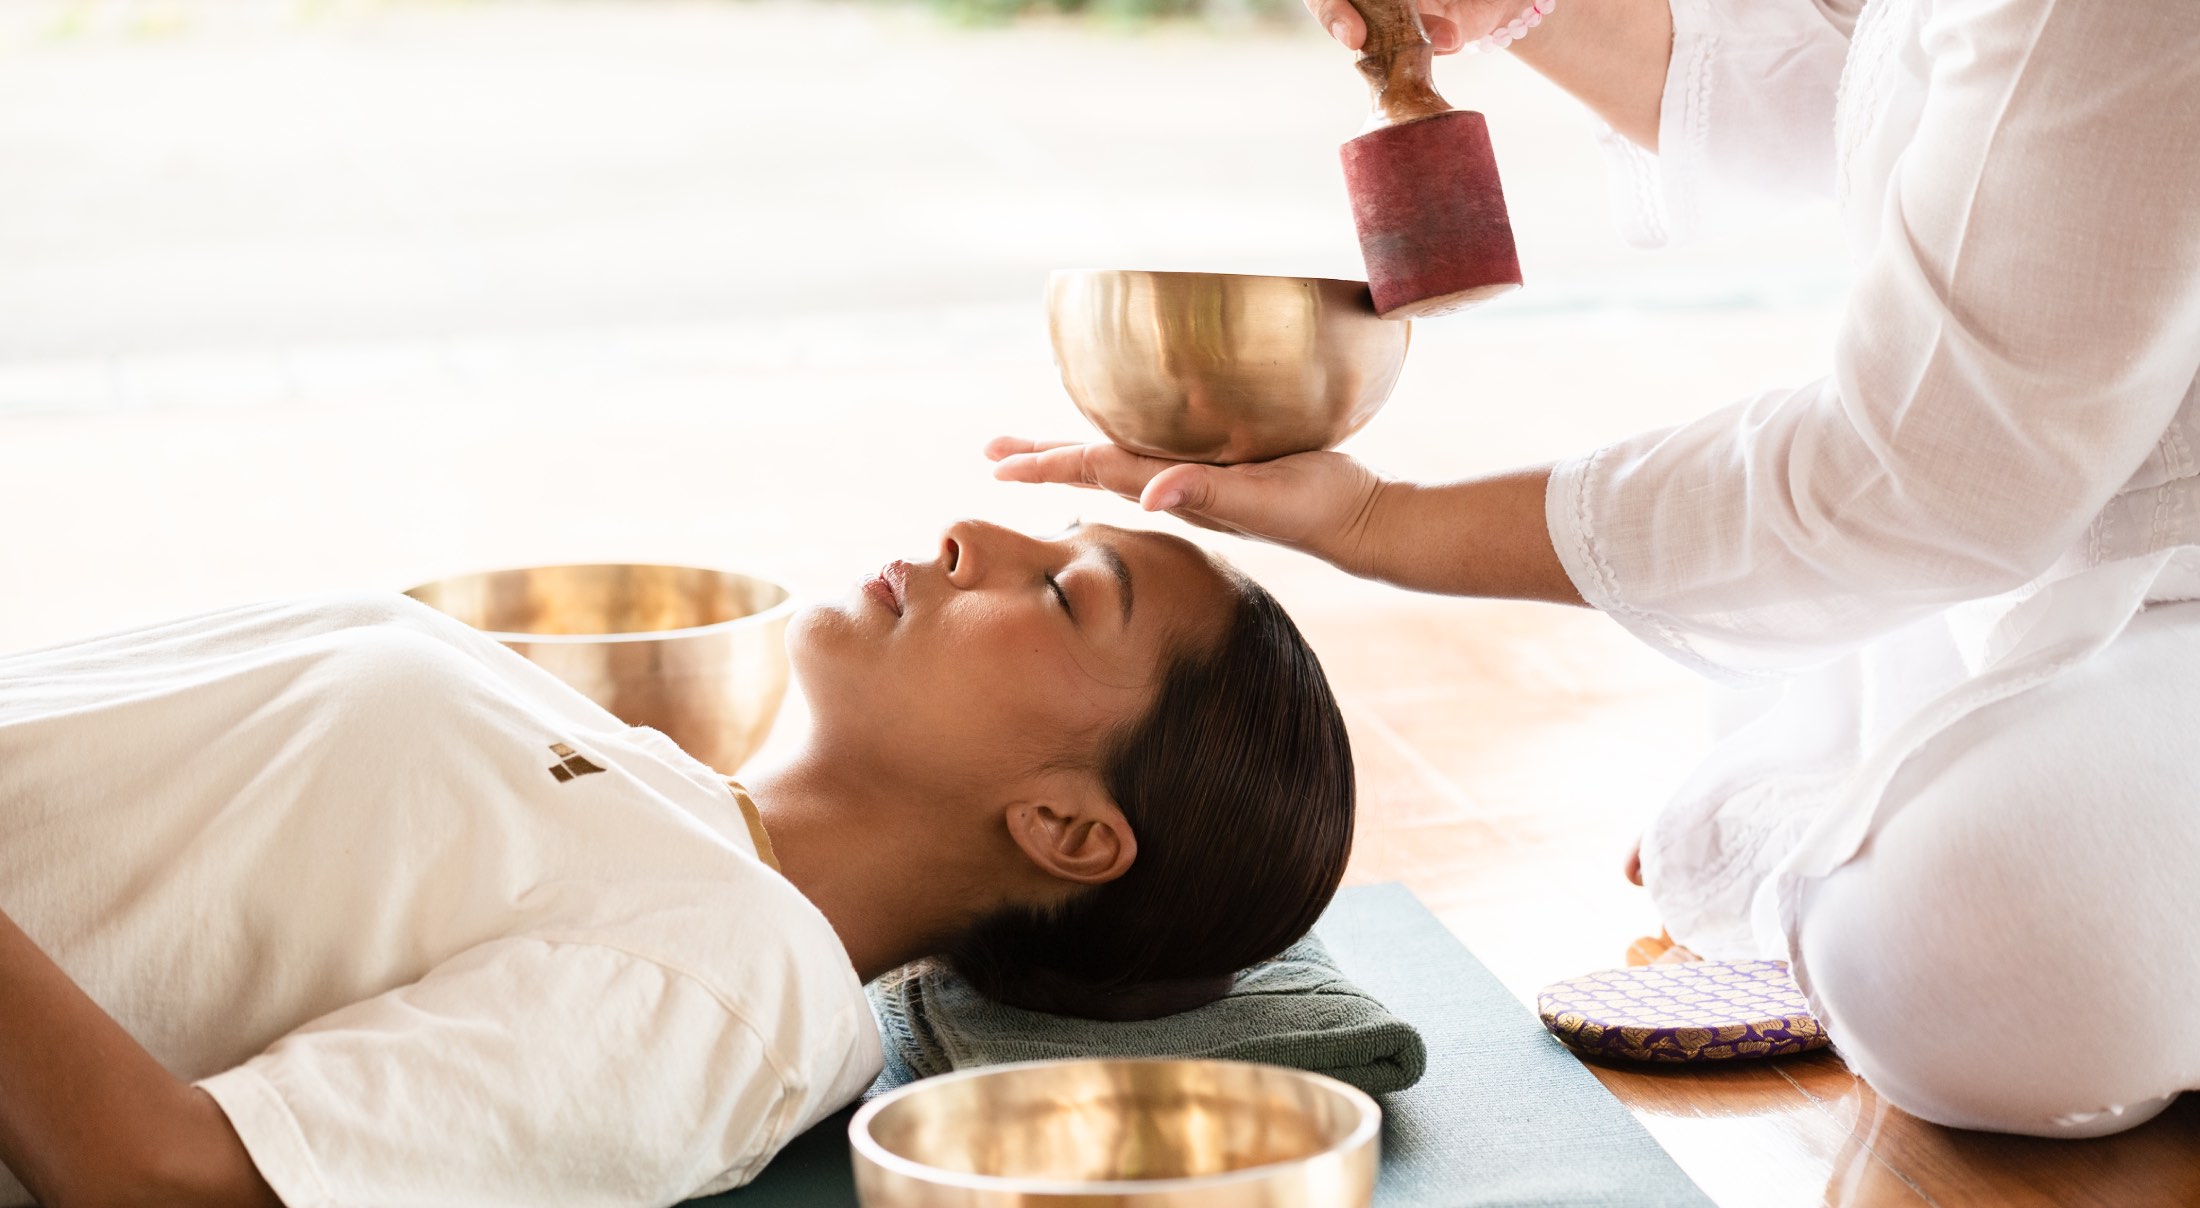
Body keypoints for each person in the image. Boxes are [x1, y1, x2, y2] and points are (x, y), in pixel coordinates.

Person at [991, 0, 2200, 1139]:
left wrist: (1385, 524)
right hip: (2063, 525)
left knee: (1957, 960)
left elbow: (1932, 476)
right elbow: (1896, 77)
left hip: (2057, 524)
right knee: (1790, 681)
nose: (952, 552)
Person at [0, 520, 1355, 1207]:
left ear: (1067, 831)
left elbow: (163, 1181)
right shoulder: (663, 799)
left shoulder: (734, 988)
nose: (973, 535)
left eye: (1065, 591)